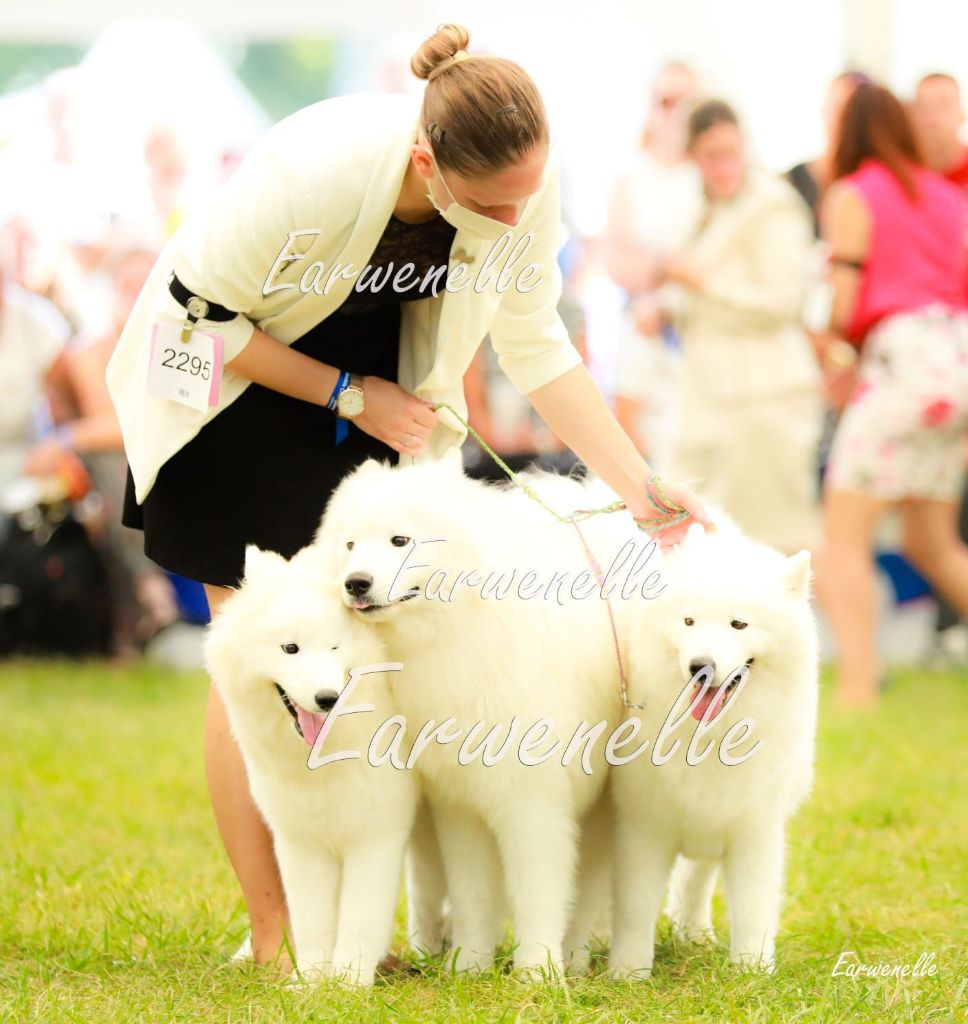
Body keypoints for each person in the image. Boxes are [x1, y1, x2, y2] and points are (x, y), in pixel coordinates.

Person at [106, 24, 710, 968]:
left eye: (527, 199)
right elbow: (197, 327)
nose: (517, 224)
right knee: (269, 645)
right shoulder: (310, 167)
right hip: (227, 392)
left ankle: (352, 930)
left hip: (372, 406)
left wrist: (638, 487)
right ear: (426, 163)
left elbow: (538, 343)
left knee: (365, 663)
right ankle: (277, 933)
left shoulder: (520, 184)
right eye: (490, 207)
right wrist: (349, 393)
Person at [814, 83, 968, 707]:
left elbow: (844, 303)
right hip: (956, 366)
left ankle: (857, 686)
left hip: (902, 363)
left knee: (840, 541)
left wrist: (830, 344)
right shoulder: (950, 195)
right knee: (932, 542)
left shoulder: (855, 193)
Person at [640, 99, 822, 553]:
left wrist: (699, 280)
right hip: (710, 392)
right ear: (694, 158)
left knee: (773, 541)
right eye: (710, 156)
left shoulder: (773, 205)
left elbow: (781, 302)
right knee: (713, 538)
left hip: (764, 395)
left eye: (730, 151)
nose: (723, 165)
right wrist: (665, 306)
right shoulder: (703, 208)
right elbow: (692, 286)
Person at [605, 62, 702, 465]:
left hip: (698, 332)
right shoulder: (631, 179)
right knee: (638, 449)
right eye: (666, 101)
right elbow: (619, 264)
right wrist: (665, 267)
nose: (674, 112)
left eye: (685, 102)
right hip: (644, 331)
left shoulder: (709, 176)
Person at [912, 73, 968, 191]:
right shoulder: (901, 173)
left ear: (962, 114)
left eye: (944, 105)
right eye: (923, 107)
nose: (933, 117)